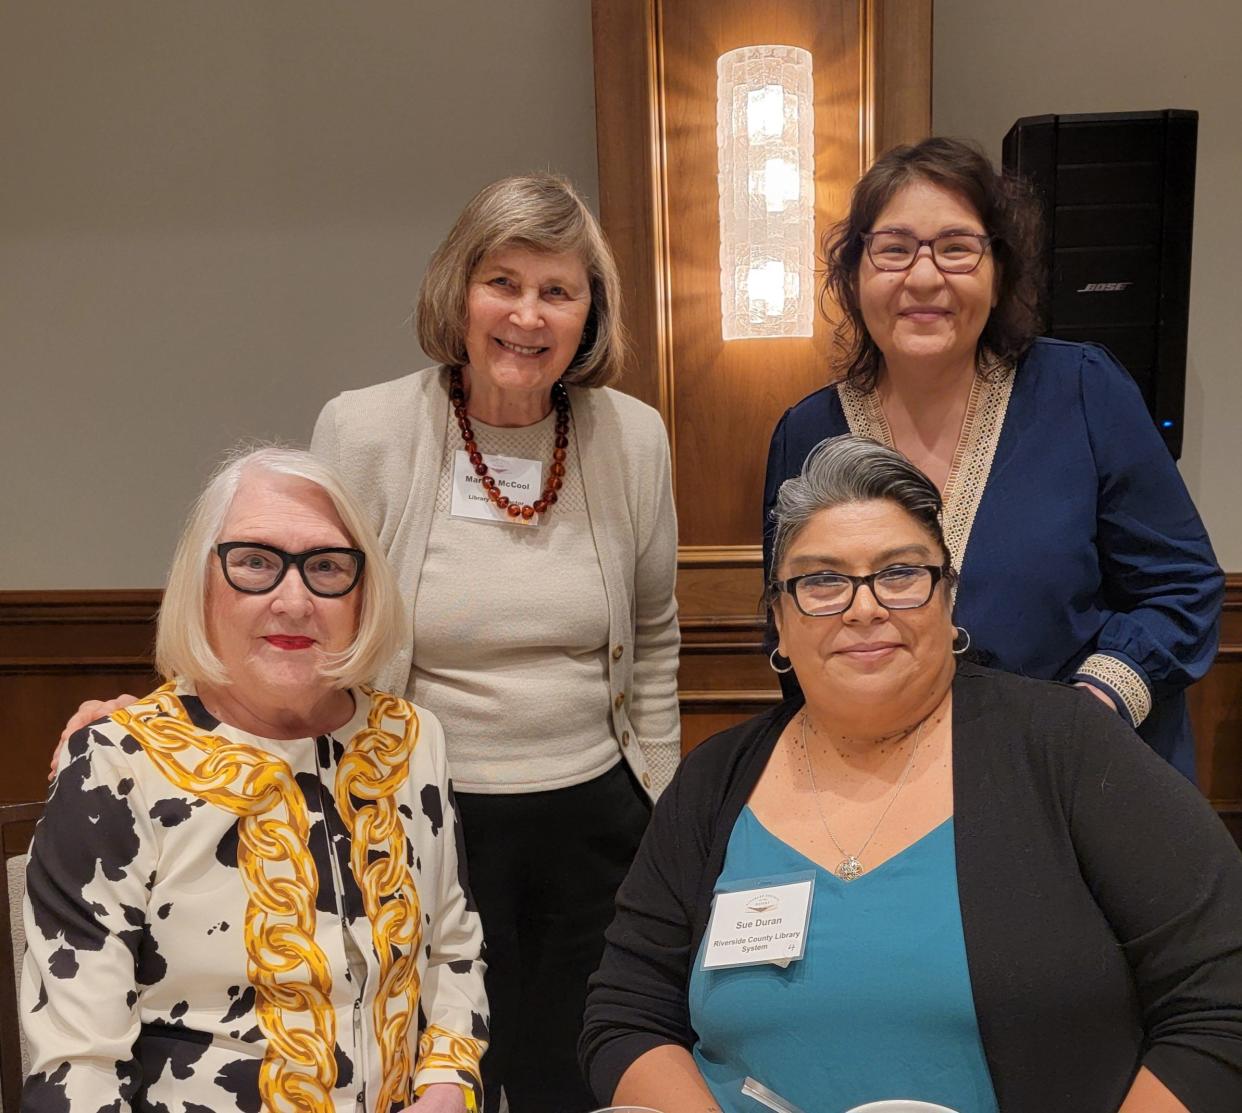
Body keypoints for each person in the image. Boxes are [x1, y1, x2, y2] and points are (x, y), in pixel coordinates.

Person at [56, 173, 680, 1112]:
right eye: (502, 282)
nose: (528, 314)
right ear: (458, 294)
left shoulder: (632, 439)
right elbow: (285, 597)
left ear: (591, 314)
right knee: (429, 1056)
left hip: (596, 819)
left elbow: (659, 633)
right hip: (416, 808)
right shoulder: (368, 428)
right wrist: (160, 725)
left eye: (559, 290)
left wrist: (660, 795)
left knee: (572, 1069)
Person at [580, 436, 1242, 1113]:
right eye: (822, 580)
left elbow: (1223, 993)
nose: (864, 607)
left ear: (948, 600)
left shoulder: (1066, 748)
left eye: (900, 573)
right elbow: (628, 1014)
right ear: (779, 622)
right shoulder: (715, 781)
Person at [22, 447, 488, 1112]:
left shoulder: (411, 741)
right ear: (203, 582)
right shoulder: (117, 765)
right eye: (255, 563)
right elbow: (79, 1067)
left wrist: (445, 1088)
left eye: (326, 565)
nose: (293, 599)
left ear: (362, 591)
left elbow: (452, 954)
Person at [762, 136, 1222, 780]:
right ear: (854, 273)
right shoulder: (805, 431)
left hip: (1076, 769)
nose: (923, 277)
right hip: (886, 784)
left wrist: (1098, 700)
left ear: (998, 270)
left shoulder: (1084, 391)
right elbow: (790, 612)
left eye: (956, 248)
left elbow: (1180, 587)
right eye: (893, 250)